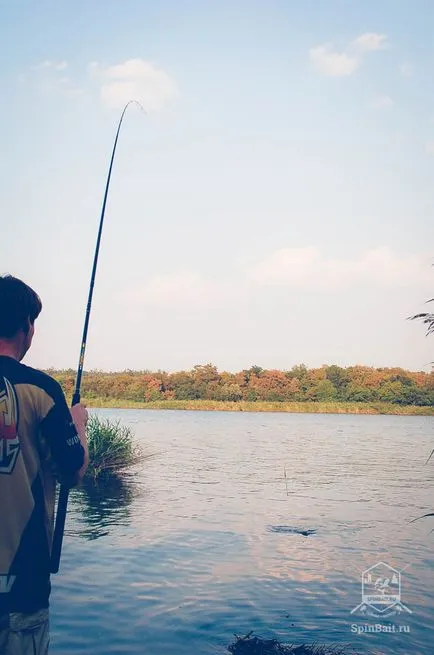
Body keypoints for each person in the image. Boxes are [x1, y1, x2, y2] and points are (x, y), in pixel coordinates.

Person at [0, 275, 89, 654]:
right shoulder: (42, 391)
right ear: (27, 327)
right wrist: (79, 426)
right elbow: (73, 472)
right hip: (23, 587)